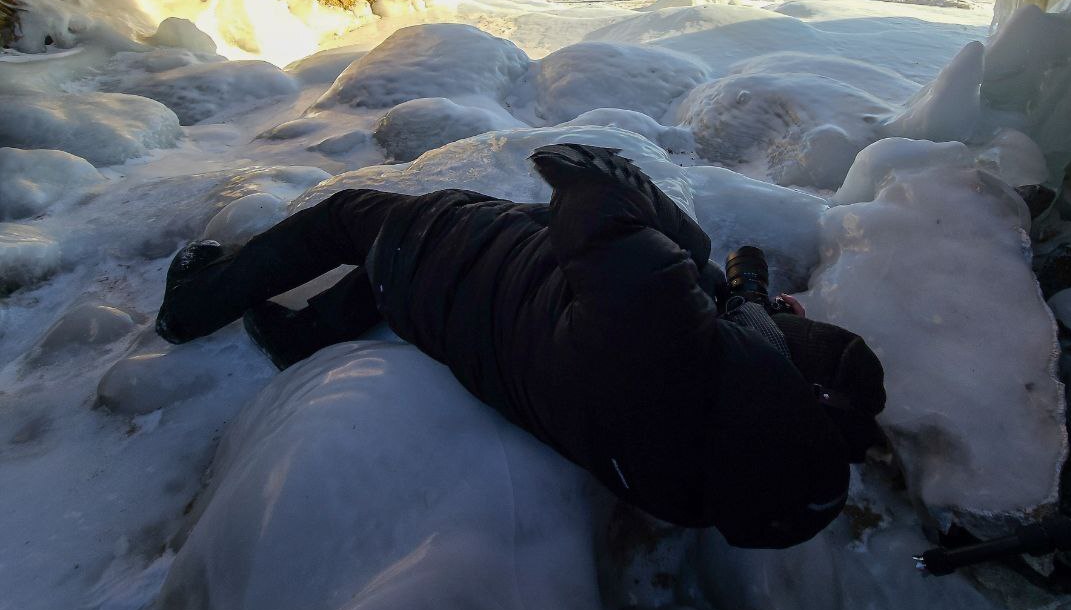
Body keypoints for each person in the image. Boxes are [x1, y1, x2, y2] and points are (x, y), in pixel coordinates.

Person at [156, 143, 885, 549]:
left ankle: (189, 309)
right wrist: (745, 296)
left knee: (349, 217)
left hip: (444, 261)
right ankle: (305, 329)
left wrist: (667, 222)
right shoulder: (715, 477)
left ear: (787, 369)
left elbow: (594, 206)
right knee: (420, 252)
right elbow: (727, 353)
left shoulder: (665, 341)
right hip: (469, 306)